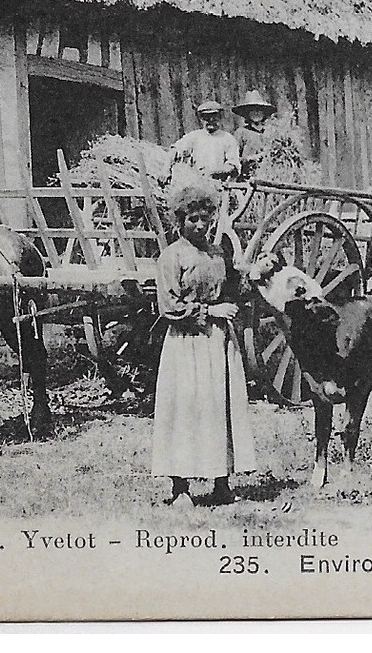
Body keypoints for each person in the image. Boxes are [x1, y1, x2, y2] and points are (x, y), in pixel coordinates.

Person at [151, 183, 255, 507]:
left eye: (205, 219)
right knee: (184, 411)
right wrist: (209, 311)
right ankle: (180, 488)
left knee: (219, 409)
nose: (200, 225)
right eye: (192, 219)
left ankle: (220, 483)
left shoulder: (217, 254)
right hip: (186, 343)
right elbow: (169, 306)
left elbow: (233, 289)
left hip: (218, 344)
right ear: (179, 221)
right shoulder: (171, 257)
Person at [172, 100, 240, 181]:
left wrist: (214, 172)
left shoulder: (228, 139)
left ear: (220, 118)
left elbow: (232, 165)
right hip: (197, 183)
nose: (211, 120)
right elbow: (175, 150)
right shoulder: (194, 136)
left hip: (219, 183)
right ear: (201, 119)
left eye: (214, 117)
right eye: (206, 117)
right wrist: (166, 170)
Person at [231, 89, 277, 181]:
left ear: (264, 113)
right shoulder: (241, 133)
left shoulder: (271, 133)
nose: (256, 113)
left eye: (259, 110)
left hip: (269, 177)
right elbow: (233, 159)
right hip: (247, 178)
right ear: (247, 113)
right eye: (252, 110)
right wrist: (249, 159)